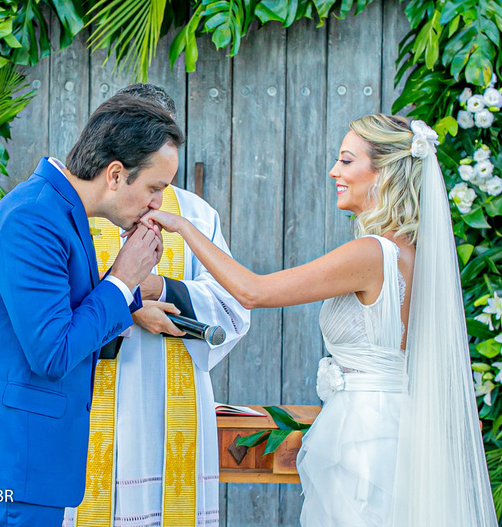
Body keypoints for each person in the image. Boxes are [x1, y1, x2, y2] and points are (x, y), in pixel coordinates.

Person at [141, 114, 494, 526]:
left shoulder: (371, 253)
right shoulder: (414, 252)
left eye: (346, 161)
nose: (334, 171)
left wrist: (183, 226)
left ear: (383, 174)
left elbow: (254, 292)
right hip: (398, 425)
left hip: (366, 432)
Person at [0, 95, 181, 527]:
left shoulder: (62, 211)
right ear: (115, 173)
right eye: (154, 188)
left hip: (32, 463)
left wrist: (128, 294)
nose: (158, 203)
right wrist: (122, 280)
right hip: (12, 464)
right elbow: (51, 354)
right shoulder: (32, 218)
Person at [67, 85, 250, 527]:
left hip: (166, 397)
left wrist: (162, 289)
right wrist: (127, 307)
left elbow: (233, 306)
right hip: (91, 392)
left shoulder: (196, 214)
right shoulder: (86, 205)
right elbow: (53, 309)